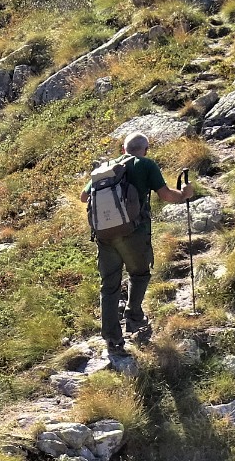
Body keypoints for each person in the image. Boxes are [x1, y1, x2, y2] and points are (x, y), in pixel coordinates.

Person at [82, 131, 193, 356]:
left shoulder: (105, 168)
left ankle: (112, 338)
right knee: (139, 274)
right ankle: (133, 317)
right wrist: (184, 194)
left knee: (109, 285)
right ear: (146, 149)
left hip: (104, 236)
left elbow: (84, 197)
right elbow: (166, 196)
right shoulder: (146, 164)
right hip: (134, 233)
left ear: (123, 149)